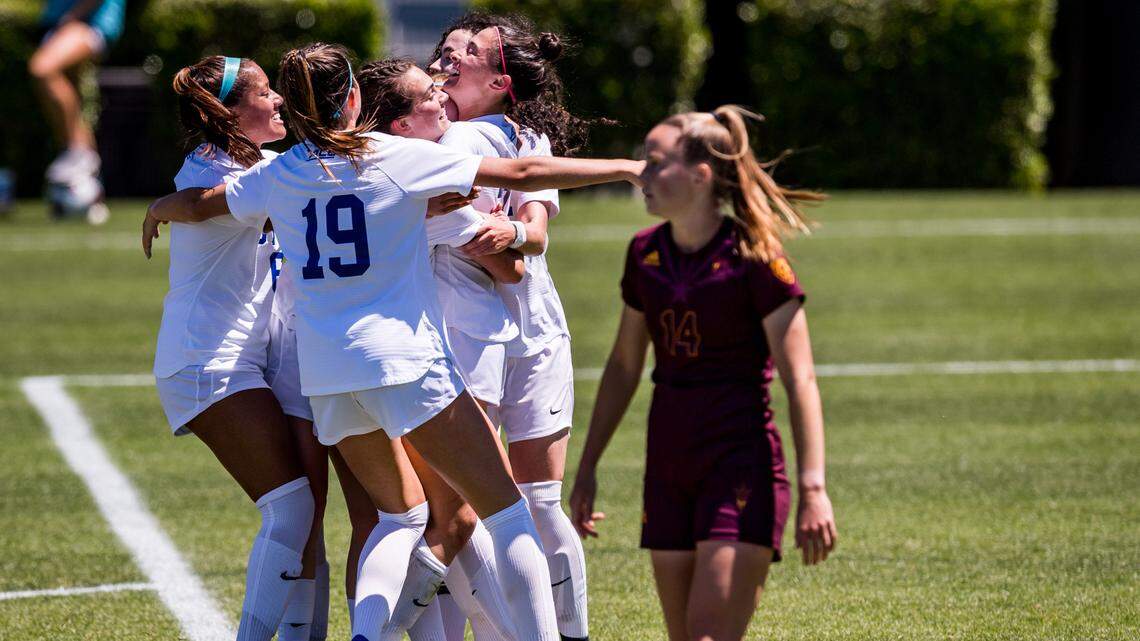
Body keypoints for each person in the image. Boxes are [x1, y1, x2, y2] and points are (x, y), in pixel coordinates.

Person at [143, 43, 643, 641]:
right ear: (354, 98)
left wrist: (159, 207)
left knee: (399, 516)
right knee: (508, 516)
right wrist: (631, 169)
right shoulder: (393, 155)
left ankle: (366, 634)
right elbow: (525, 173)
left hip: (326, 377)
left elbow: (206, 203)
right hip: (403, 364)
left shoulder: (277, 172)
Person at [568, 106, 839, 641]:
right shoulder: (644, 253)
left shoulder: (755, 256)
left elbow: (800, 379)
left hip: (739, 465)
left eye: (655, 162)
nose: (641, 174)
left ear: (699, 175)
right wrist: (588, 466)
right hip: (667, 465)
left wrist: (814, 487)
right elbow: (625, 366)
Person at [437, 15, 599, 640]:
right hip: (463, 322)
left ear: (502, 81)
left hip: (532, 322)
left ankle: (570, 632)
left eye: (466, 54)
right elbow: (501, 251)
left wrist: (515, 239)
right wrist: (509, 249)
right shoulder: (432, 135)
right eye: (445, 52)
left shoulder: (525, 134)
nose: (448, 63)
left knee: (538, 499)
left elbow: (534, 230)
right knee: (462, 506)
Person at [148, 55, 316, 641]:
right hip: (208, 361)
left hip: (243, 358)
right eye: (265, 92)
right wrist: (166, 206)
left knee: (305, 513)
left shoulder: (253, 163)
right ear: (227, 111)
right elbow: (200, 201)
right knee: (290, 509)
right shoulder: (208, 166)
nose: (277, 101)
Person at [30, 0, 125, 222]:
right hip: (62, 22)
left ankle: (78, 155)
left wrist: (72, 16)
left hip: (87, 22)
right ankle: (92, 193)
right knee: (72, 100)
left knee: (42, 69)